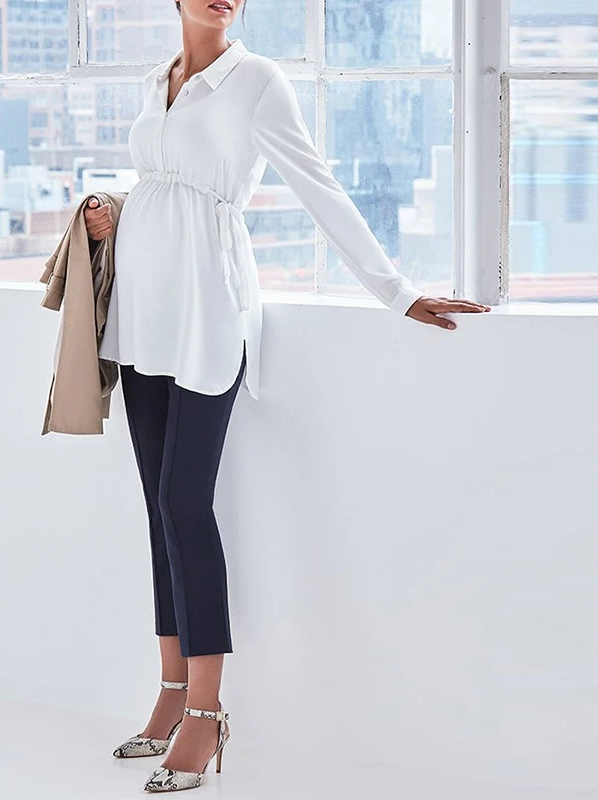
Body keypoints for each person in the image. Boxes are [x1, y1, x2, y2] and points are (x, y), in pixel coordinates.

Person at [85, 0, 491, 793]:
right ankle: (169, 692)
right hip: (143, 310)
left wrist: (395, 292)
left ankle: (206, 712)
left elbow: (318, 185)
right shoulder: (155, 79)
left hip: (208, 307)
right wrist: (113, 212)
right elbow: (162, 187)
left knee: (185, 504)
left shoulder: (258, 80)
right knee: (158, 508)